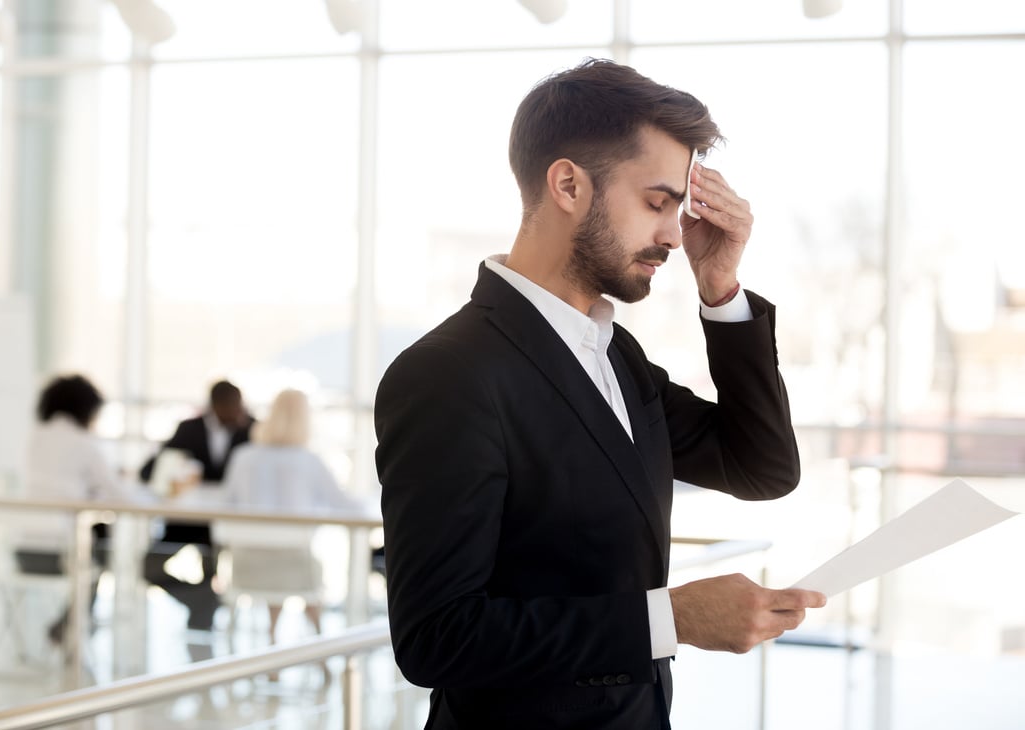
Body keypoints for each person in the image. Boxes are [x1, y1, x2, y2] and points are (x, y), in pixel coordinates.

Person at [373, 58, 827, 729]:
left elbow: (760, 468)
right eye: (656, 202)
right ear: (566, 185)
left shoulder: (614, 352)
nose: (674, 234)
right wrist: (668, 619)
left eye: (679, 206)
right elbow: (437, 637)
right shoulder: (447, 373)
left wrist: (721, 288)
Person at [220, 388, 361, 642]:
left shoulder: (244, 456)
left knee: (275, 564)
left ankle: (272, 638)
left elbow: (226, 506)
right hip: (296, 566)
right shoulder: (308, 461)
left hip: (247, 564)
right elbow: (343, 505)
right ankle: (317, 651)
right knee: (292, 565)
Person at [21, 374, 136, 644]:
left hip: (24, 553)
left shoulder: (34, 439)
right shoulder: (85, 444)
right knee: (100, 549)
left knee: (94, 542)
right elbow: (121, 498)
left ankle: (69, 624)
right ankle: (74, 623)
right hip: (65, 554)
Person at [139, 379, 253, 630]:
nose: (237, 412)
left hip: (232, 523)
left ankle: (203, 624)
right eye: (230, 406)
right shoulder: (189, 429)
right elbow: (149, 471)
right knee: (149, 566)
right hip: (188, 520)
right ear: (214, 406)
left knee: (212, 571)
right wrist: (183, 475)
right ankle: (201, 603)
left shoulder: (252, 429)